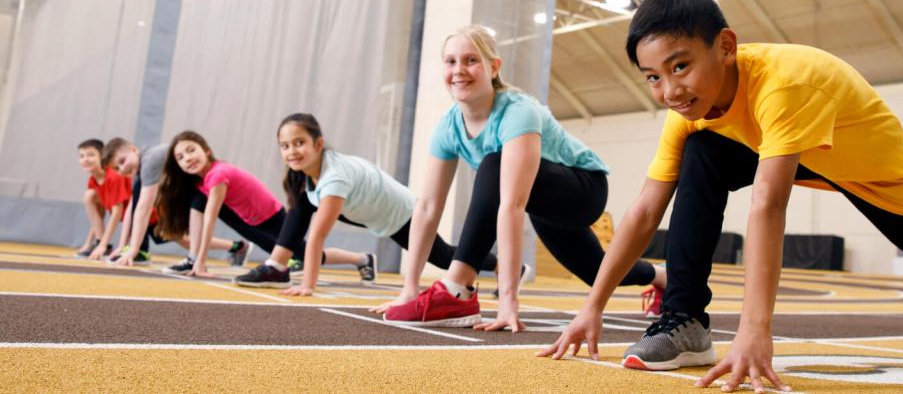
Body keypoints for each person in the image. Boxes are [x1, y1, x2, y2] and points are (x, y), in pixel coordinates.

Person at [540, 0, 903, 391]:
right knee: (701, 154)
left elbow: (769, 204)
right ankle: (685, 320)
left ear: (726, 47)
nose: (669, 90)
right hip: (794, 153)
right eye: (652, 77)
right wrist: (593, 306)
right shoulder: (690, 114)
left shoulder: (785, 84)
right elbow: (642, 212)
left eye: (680, 67)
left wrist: (755, 329)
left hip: (869, 167)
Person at [380, 26, 667, 330]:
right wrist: (408, 289)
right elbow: (426, 208)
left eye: (470, 60)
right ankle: (663, 277)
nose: (459, 70)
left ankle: (458, 288)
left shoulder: (517, 112)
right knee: (600, 272)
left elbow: (512, 207)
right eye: (450, 62)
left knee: (494, 162)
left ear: (494, 67)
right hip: (538, 198)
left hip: (583, 189)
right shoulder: (449, 126)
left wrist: (508, 301)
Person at [260, 112, 505, 296]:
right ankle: (276, 264)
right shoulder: (305, 174)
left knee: (443, 258)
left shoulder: (334, 177)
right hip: (369, 208)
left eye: (299, 142)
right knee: (302, 203)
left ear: (319, 143)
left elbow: (317, 236)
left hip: (402, 213)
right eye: (285, 146)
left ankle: (498, 264)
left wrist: (307, 285)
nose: (292, 151)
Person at [156, 131, 371, 287]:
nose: (187, 158)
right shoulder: (201, 182)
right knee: (295, 258)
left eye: (191, 150)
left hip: (273, 218)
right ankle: (196, 257)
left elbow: (209, 221)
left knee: (308, 256)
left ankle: (362, 259)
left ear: (207, 150)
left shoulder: (217, 175)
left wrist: (201, 263)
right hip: (252, 223)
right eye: (180, 157)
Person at [102, 138, 248, 272]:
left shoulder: (150, 160)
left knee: (196, 223)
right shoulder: (140, 173)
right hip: (191, 189)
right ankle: (235, 247)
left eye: (122, 161)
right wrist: (122, 246)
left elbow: (143, 207)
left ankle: (221, 251)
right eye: (116, 168)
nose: (121, 169)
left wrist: (133, 249)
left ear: (134, 150)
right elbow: (132, 210)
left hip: (207, 183)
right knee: (181, 236)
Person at [75, 139, 127, 259]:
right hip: (129, 221)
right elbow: (99, 215)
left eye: (91, 155)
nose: (85, 159)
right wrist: (88, 244)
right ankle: (100, 244)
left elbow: (117, 213)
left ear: (102, 156)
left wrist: (103, 245)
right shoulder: (93, 179)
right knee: (89, 195)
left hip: (144, 219)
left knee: (171, 234)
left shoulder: (113, 176)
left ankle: (104, 246)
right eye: (81, 156)